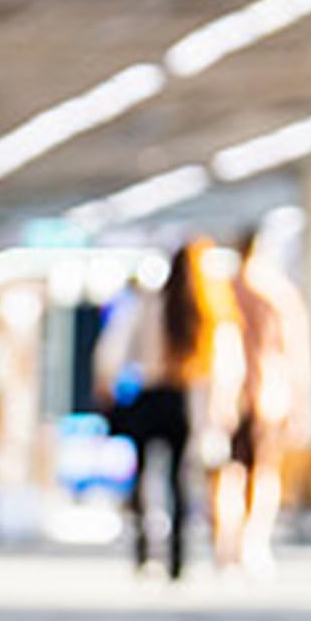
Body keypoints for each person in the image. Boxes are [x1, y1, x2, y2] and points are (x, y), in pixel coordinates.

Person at [110, 239, 229, 581]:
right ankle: (178, 558)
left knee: (144, 476)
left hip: (149, 396)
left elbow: (119, 353)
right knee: (179, 480)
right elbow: (215, 369)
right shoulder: (202, 311)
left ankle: (143, 551)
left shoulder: (151, 305)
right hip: (182, 401)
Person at [226, 227, 311, 570]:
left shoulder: (225, 292)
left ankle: (228, 543)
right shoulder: (278, 295)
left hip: (230, 396)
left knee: (229, 471)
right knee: (263, 471)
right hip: (269, 395)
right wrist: (301, 404)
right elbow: (295, 355)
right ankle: (254, 540)